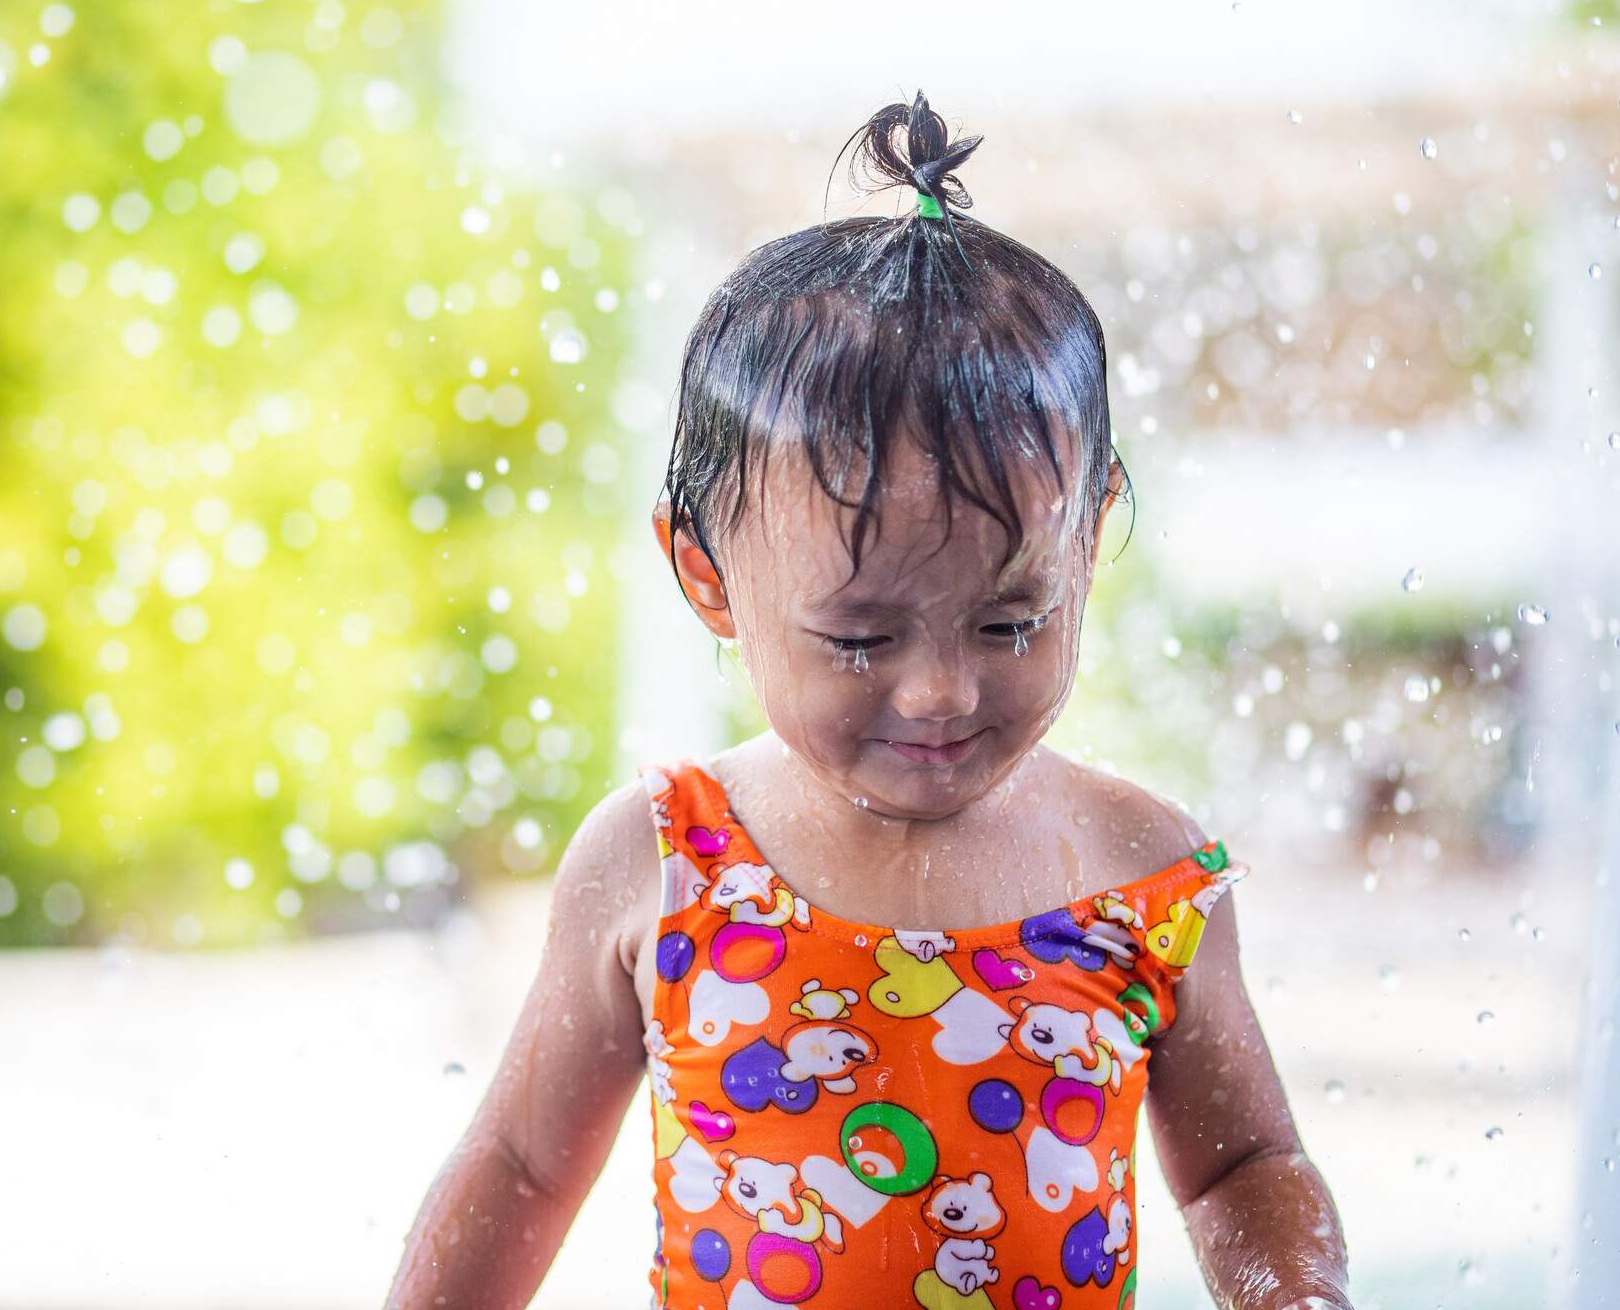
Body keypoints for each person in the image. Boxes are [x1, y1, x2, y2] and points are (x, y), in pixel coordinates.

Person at [385, 90, 1353, 1310]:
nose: (942, 688)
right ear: (707, 577)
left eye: (1011, 621)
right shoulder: (665, 860)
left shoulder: (1142, 873)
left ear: (1092, 534)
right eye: (858, 636)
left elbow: (1243, 1167)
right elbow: (520, 1167)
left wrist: (1293, 1291)